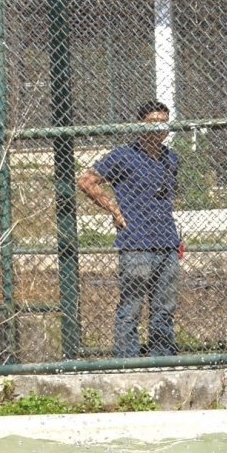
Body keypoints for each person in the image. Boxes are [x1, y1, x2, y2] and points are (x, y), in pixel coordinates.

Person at [77, 100, 181, 358]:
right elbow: (86, 181)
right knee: (131, 306)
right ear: (140, 124)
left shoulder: (171, 159)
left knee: (164, 307)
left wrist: (177, 236)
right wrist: (113, 209)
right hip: (136, 242)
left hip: (166, 241)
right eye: (153, 122)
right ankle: (127, 360)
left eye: (164, 123)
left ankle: (162, 357)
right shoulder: (123, 155)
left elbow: (168, 199)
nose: (159, 129)